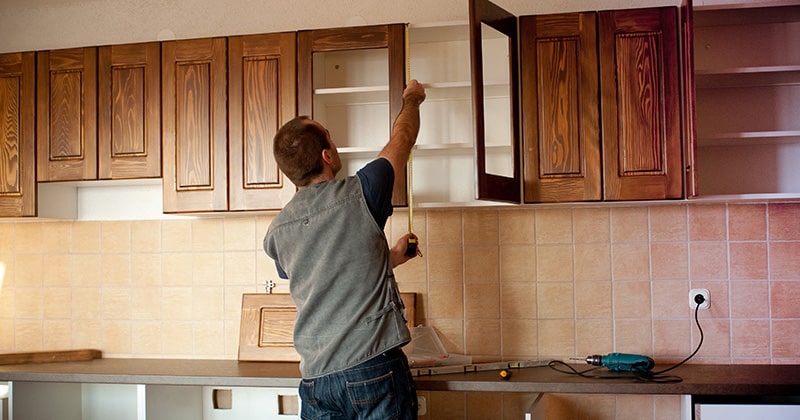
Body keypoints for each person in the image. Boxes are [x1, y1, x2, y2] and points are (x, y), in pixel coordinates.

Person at [263, 79, 426, 419]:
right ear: (327, 155)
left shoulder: (277, 232)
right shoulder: (363, 192)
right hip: (373, 370)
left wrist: (392, 258)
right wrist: (412, 99)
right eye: (329, 135)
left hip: (316, 383)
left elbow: (327, 274)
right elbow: (403, 139)